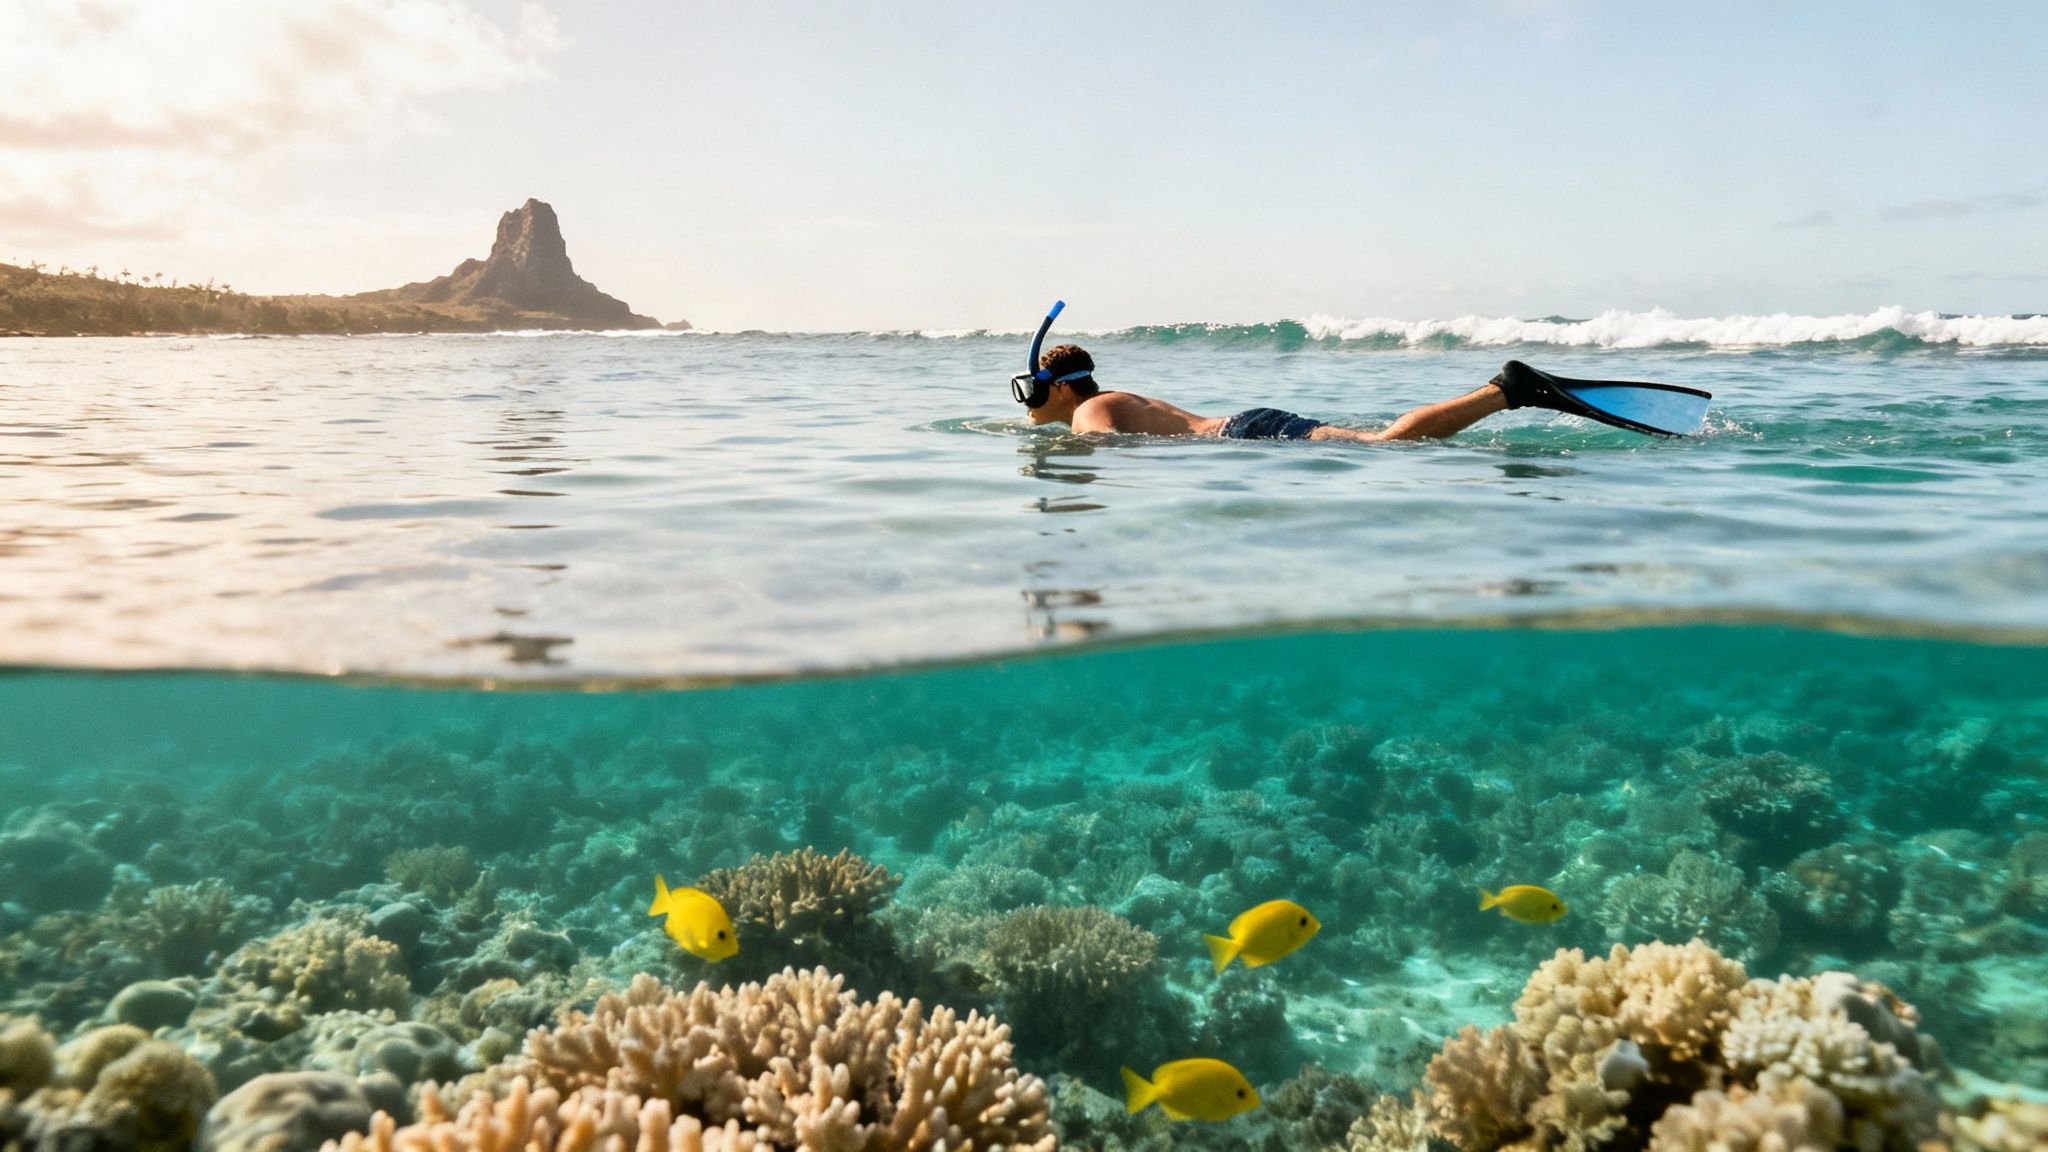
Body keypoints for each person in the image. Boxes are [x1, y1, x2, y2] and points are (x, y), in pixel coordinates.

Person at [1024, 343, 1531, 442]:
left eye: (1032, 391)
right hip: (1245, 428)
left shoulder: (1089, 411)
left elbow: (1103, 449)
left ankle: (1502, 391)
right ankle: (1501, 393)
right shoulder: (1109, 397)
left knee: (1386, 444)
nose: (1028, 404)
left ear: (1060, 391)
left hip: (1244, 434)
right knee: (1380, 442)